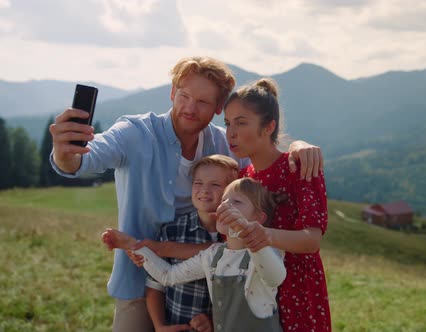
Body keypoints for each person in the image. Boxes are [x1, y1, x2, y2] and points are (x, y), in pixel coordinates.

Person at [49, 56, 323, 332]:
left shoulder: (224, 144)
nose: (190, 108)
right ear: (172, 92)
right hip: (138, 282)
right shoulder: (135, 132)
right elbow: (83, 160)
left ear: (217, 108)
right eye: (184, 95)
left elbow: (262, 160)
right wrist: (65, 153)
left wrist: (299, 146)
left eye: (203, 102)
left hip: (205, 294)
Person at [217, 78, 331, 331]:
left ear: (269, 127)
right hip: (254, 291)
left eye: (241, 123)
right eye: (228, 123)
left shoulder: (299, 168)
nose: (231, 133)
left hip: (296, 289)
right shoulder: (242, 177)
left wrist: (265, 235)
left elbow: (312, 240)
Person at [103, 176, 286, 332]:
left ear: (259, 218)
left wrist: (247, 232)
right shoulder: (213, 255)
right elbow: (168, 275)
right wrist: (133, 245)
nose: (225, 206)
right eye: (224, 200)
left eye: (236, 202)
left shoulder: (266, 253)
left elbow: (275, 277)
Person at [102, 154, 239, 331]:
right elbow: (155, 286)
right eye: (198, 183)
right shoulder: (172, 231)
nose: (204, 190)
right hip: (176, 324)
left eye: (215, 185)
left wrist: (212, 320)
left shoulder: (235, 237)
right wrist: (159, 326)